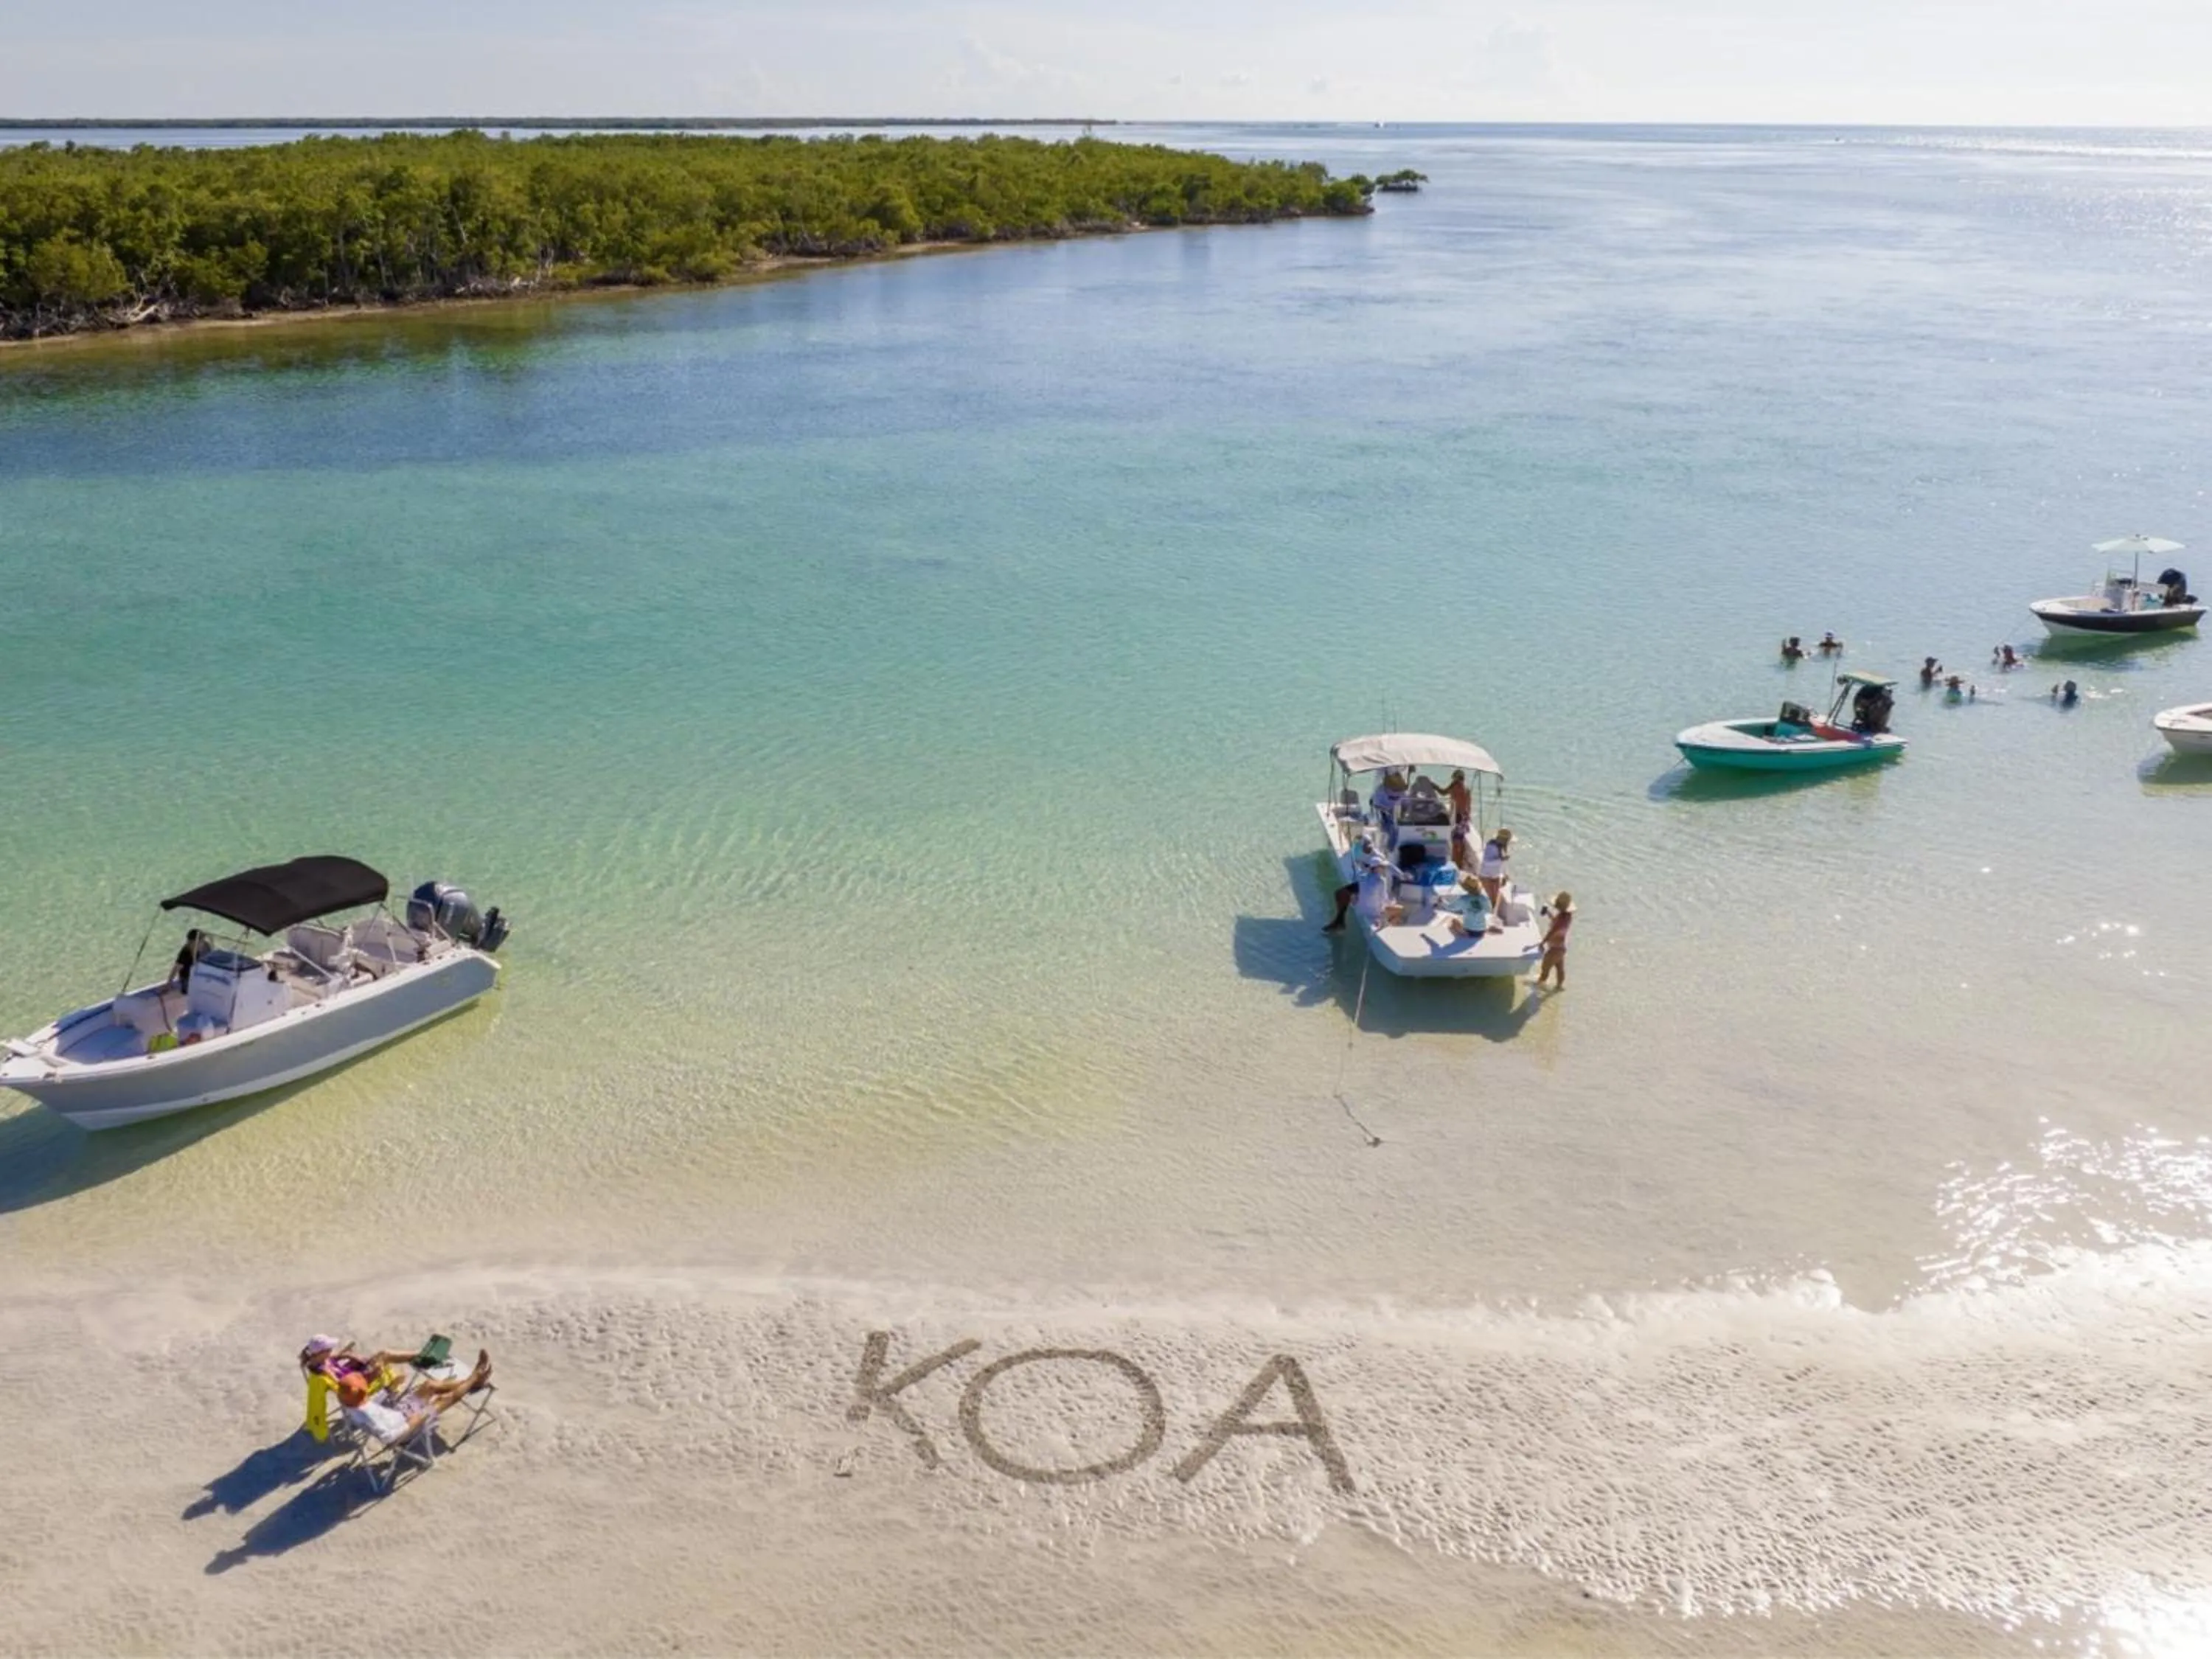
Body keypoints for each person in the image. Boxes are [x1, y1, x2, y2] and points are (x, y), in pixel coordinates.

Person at [336, 1349, 493, 1444]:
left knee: (430, 1386)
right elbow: (389, 1437)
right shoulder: (368, 1417)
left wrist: (389, 1389)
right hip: (407, 1429)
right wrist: (414, 1421)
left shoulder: (349, 1403)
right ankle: (475, 1377)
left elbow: (373, 1405)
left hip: (399, 1413)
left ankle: (472, 1383)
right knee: (442, 1400)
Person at [1324, 835, 1393, 933]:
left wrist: (1355, 899)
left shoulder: (1363, 878)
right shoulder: (1381, 881)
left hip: (1361, 909)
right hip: (1373, 912)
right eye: (1382, 866)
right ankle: (1339, 922)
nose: (1384, 868)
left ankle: (1339, 922)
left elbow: (1362, 890)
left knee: (1340, 893)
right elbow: (1383, 899)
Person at [1534, 892, 1574, 990]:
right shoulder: (1567, 916)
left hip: (1554, 949)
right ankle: (1559, 987)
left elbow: (1553, 930)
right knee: (1560, 969)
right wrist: (1548, 913)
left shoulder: (1561, 917)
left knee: (1545, 970)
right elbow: (1555, 922)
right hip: (1561, 948)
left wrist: (1543, 942)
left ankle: (1539, 988)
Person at [1449, 874, 1492, 938]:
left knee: (1453, 921)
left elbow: (1451, 907)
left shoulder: (1464, 898)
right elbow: (1488, 911)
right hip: (1481, 930)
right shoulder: (1484, 898)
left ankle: (1461, 938)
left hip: (1468, 930)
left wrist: (1441, 902)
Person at [1478, 827, 1513, 905]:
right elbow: (1487, 862)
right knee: (1490, 899)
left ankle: (1493, 913)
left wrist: (1504, 875)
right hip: (1486, 875)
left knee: (1494, 899)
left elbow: (1501, 863)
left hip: (1494, 875)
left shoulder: (1500, 847)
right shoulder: (1492, 846)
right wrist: (1502, 860)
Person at [170, 928, 207, 993]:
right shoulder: (185, 952)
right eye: (201, 941)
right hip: (187, 978)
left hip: (199, 975)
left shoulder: (206, 946)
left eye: (202, 941)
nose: (202, 943)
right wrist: (169, 982)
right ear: (193, 942)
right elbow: (177, 967)